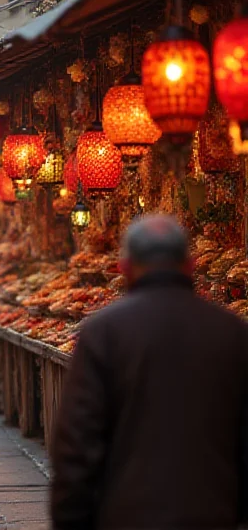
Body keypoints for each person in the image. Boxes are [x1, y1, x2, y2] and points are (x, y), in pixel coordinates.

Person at [51, 214, 248, 529]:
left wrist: (71, 518)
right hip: (213, 513)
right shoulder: (232, 332)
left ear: (125, 268)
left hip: (128, 514)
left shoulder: (104, 332)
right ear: (190, 265)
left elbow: (78, 441)